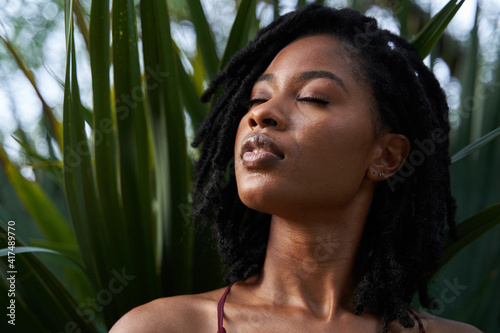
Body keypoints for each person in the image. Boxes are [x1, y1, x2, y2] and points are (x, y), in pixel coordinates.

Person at [110, 4, 482, 332]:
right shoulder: (162, 328)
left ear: (386, 156)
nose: (260, 114)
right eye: (258, 97)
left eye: (312, 97)